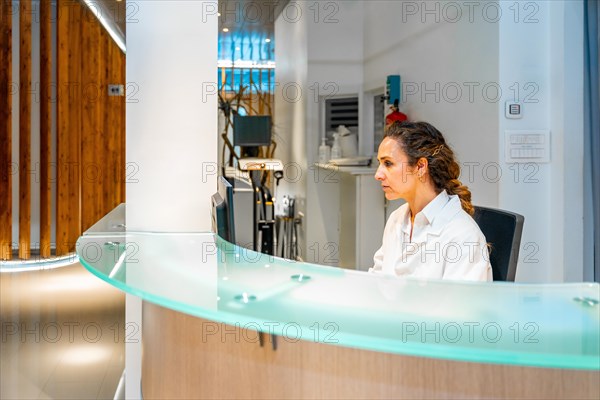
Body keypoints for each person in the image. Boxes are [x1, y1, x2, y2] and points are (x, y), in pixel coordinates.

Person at [370, 121, 492, 281]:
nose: (378, 175)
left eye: (388, 163)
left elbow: (463, 305)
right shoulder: (397, 219)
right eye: (380, 163)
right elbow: (375, 282)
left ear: (420, 167)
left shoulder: (463, 236)